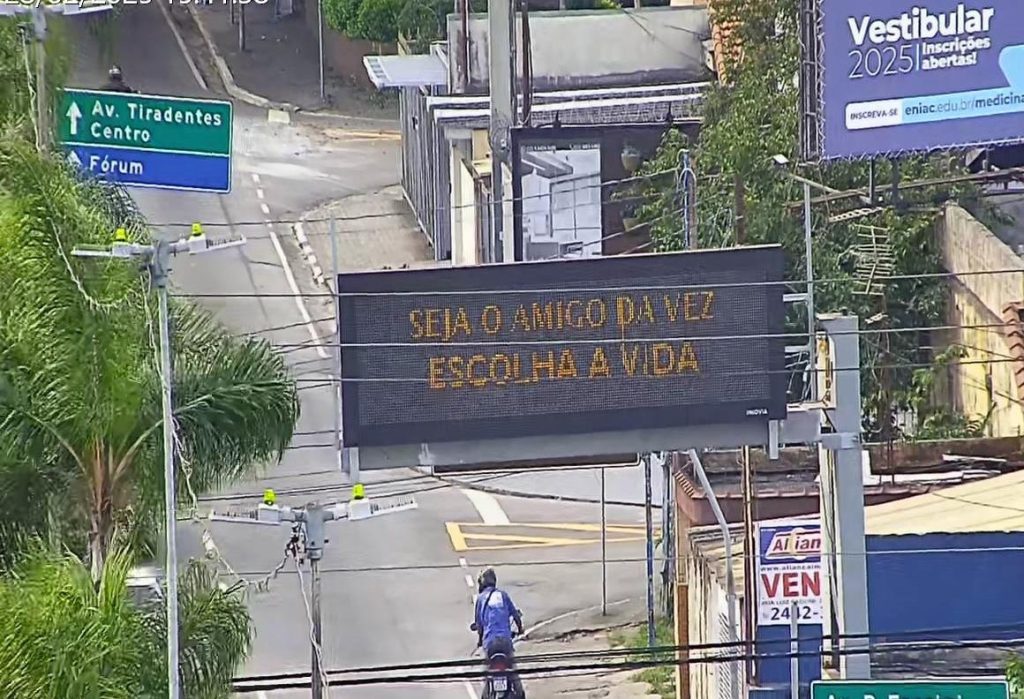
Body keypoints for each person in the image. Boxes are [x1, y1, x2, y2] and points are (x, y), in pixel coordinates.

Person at [473, 568, 525, 695]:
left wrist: (480, 641)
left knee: (487, 674)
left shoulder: (480, 599)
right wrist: (520, 630)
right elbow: (516, 616)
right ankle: (520, 693)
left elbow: (479, 626)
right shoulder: (503, 595)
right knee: (513, 672)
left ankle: (485, 694)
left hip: (490, 644)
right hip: (505, 642)